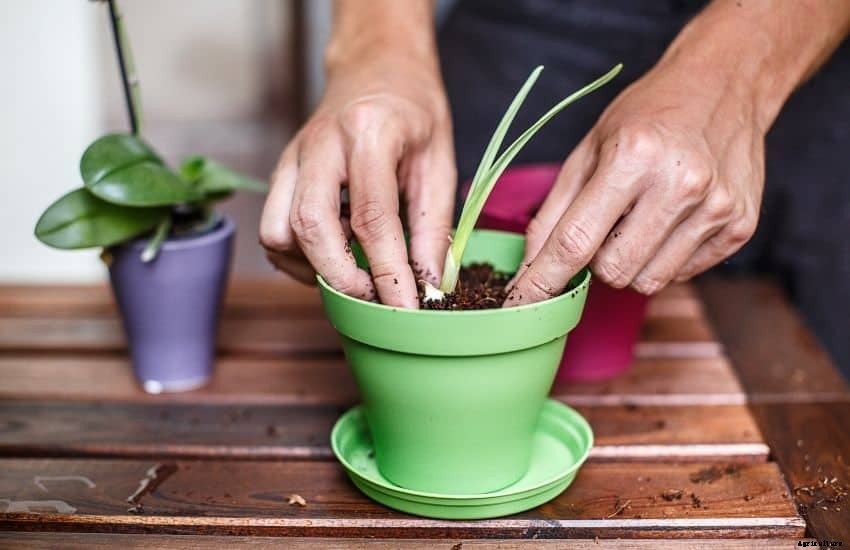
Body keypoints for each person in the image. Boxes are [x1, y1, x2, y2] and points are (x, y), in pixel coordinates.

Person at [260, 0, 850, 374]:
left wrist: (739, 71)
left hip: (797, 51)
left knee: (806, 394)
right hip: (515, 31)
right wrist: (375, 45)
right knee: (411, 222)